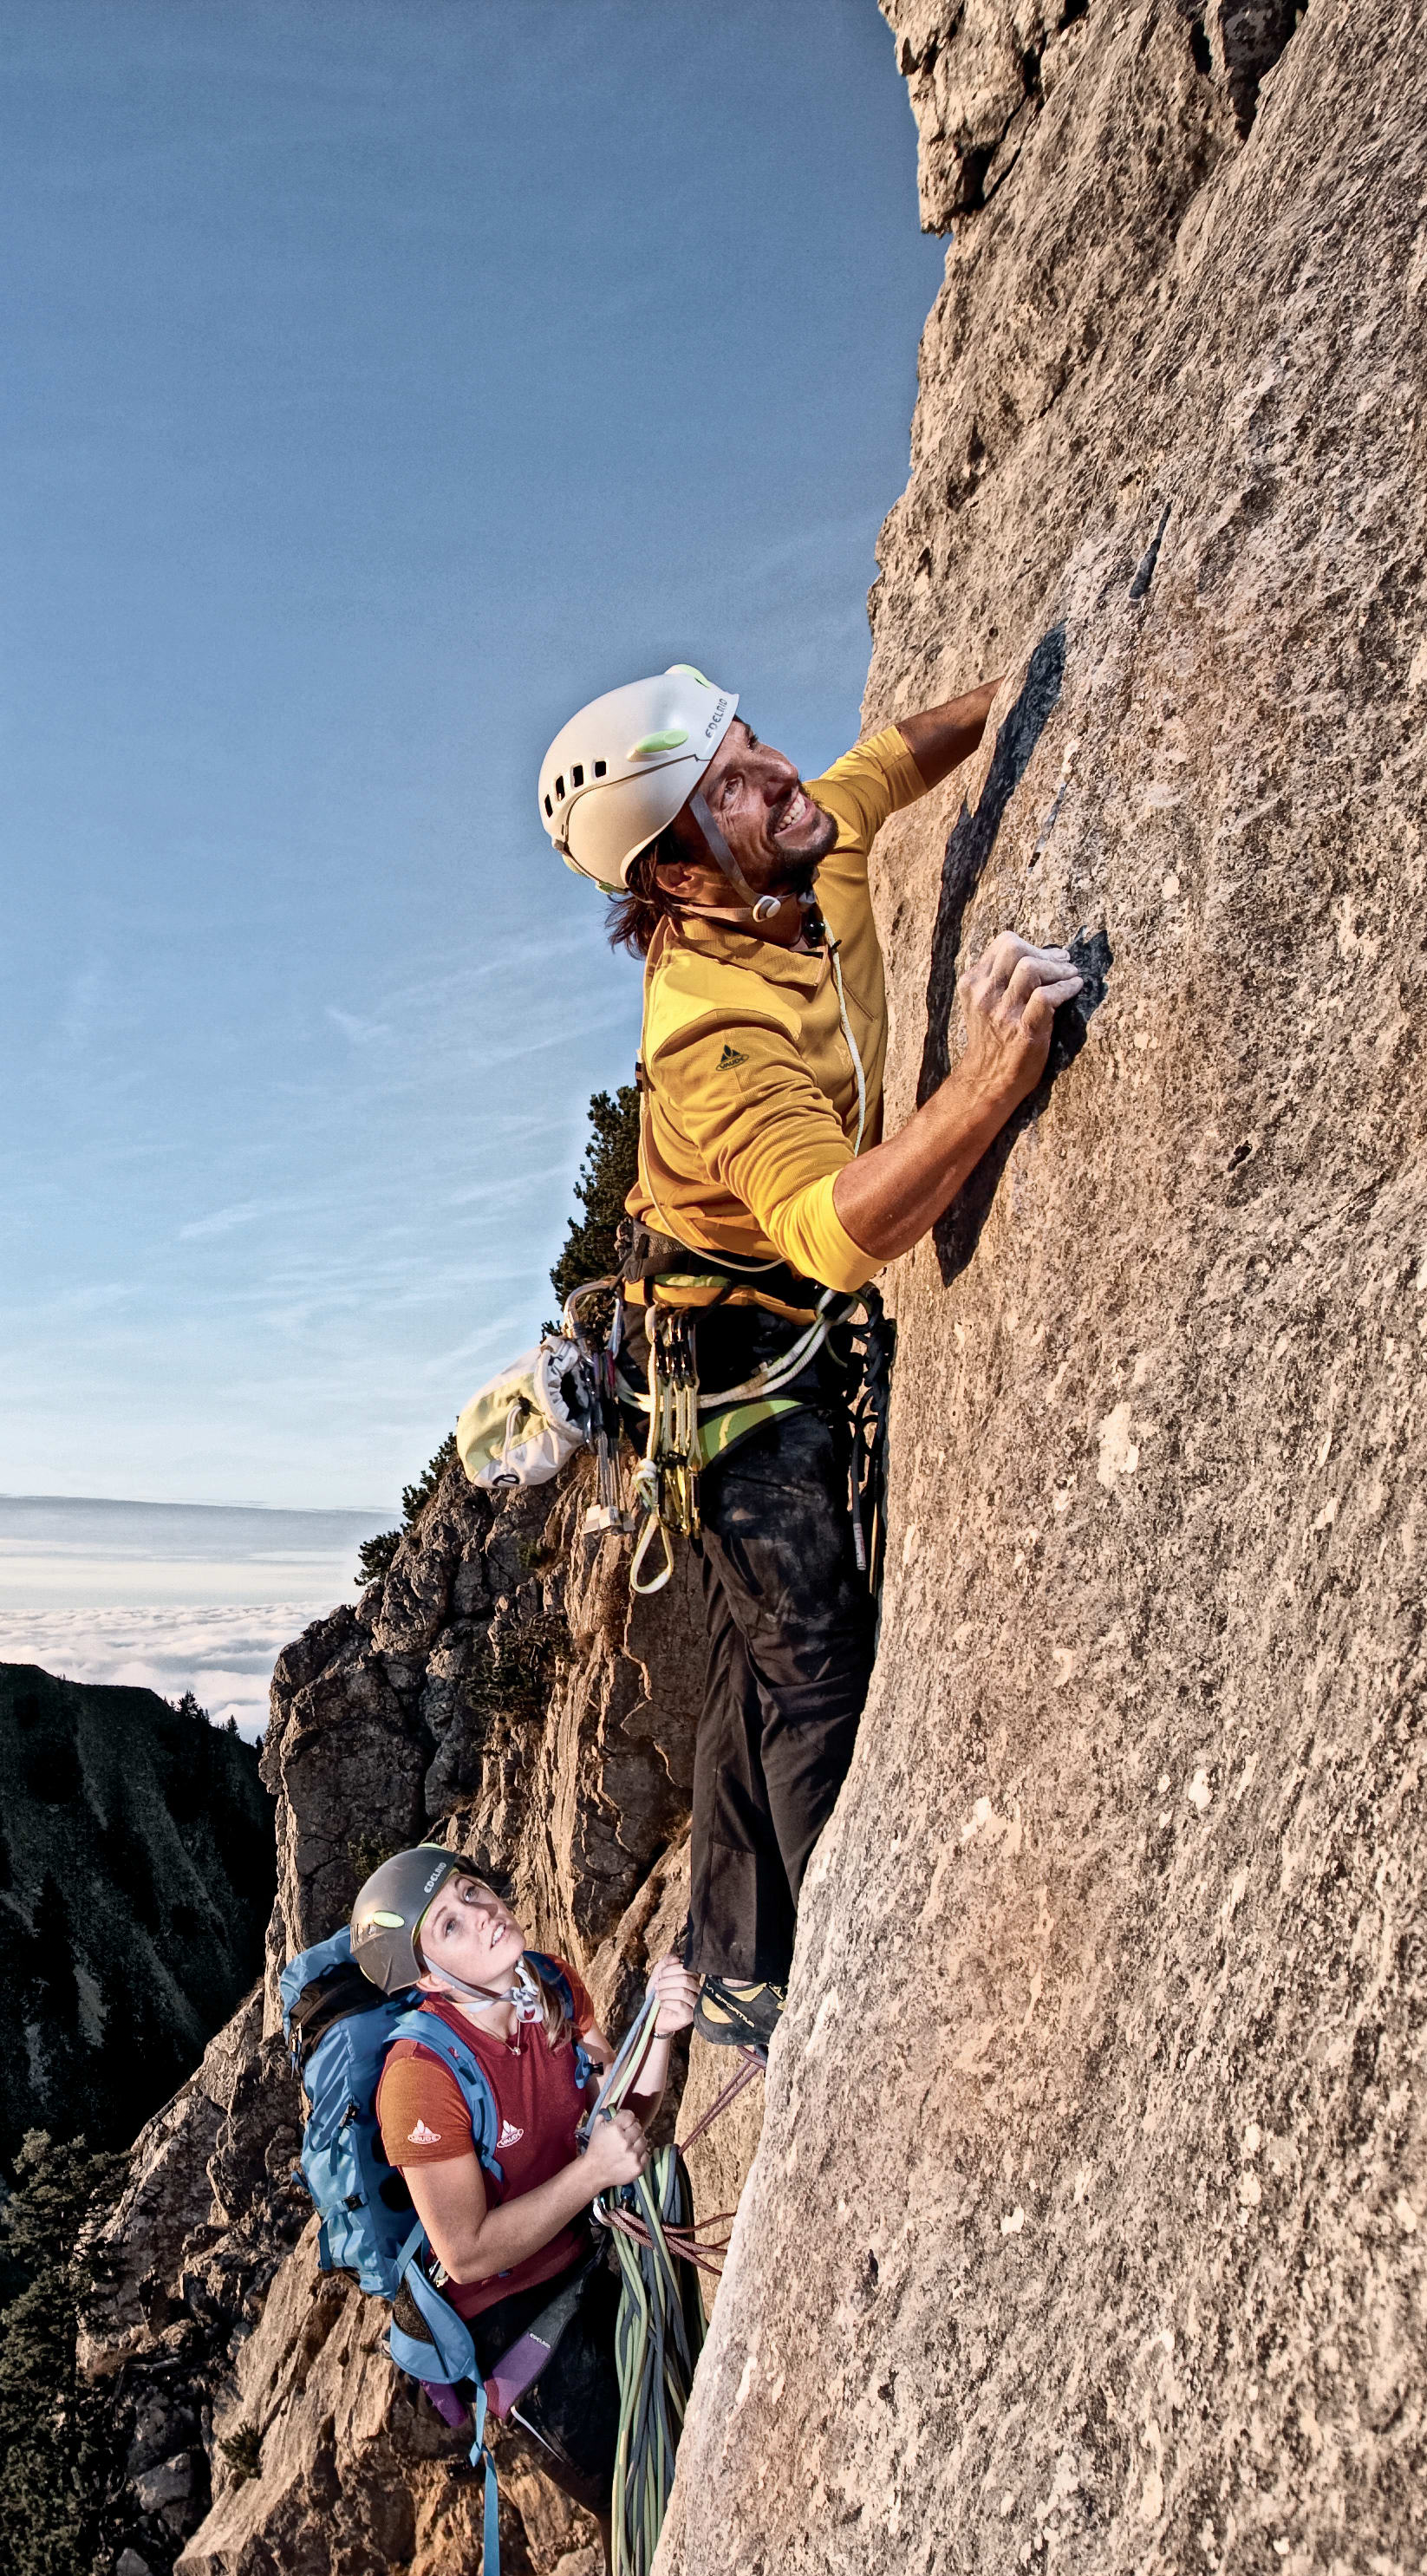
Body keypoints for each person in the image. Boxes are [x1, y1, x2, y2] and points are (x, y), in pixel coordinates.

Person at [531, 664, 1084, 2031]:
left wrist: (1025, 681)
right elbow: (834, 1233)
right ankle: (847, 1990)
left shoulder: (793, 845)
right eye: (729, 782)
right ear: (675, 872)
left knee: (745, 1654)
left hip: (728, 1320)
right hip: (731, 1369)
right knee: (810, 1657)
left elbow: (896, 757)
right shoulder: (713, 1031)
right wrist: (991, 1078)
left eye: (752, 742)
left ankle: (731, 1957)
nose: (778, 775)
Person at [345, 1844, 688, 2503]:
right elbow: (466, 2251)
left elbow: (619, 2115)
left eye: (470, 1891)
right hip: (506, 2311)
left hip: (580, 2249)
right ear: (428, 1977)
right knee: (644, 2497)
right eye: (447, 1924)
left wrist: (662, 2033)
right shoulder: (419, 2077)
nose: (480, 1913)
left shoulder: (549, 1982)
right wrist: (591, 2177)